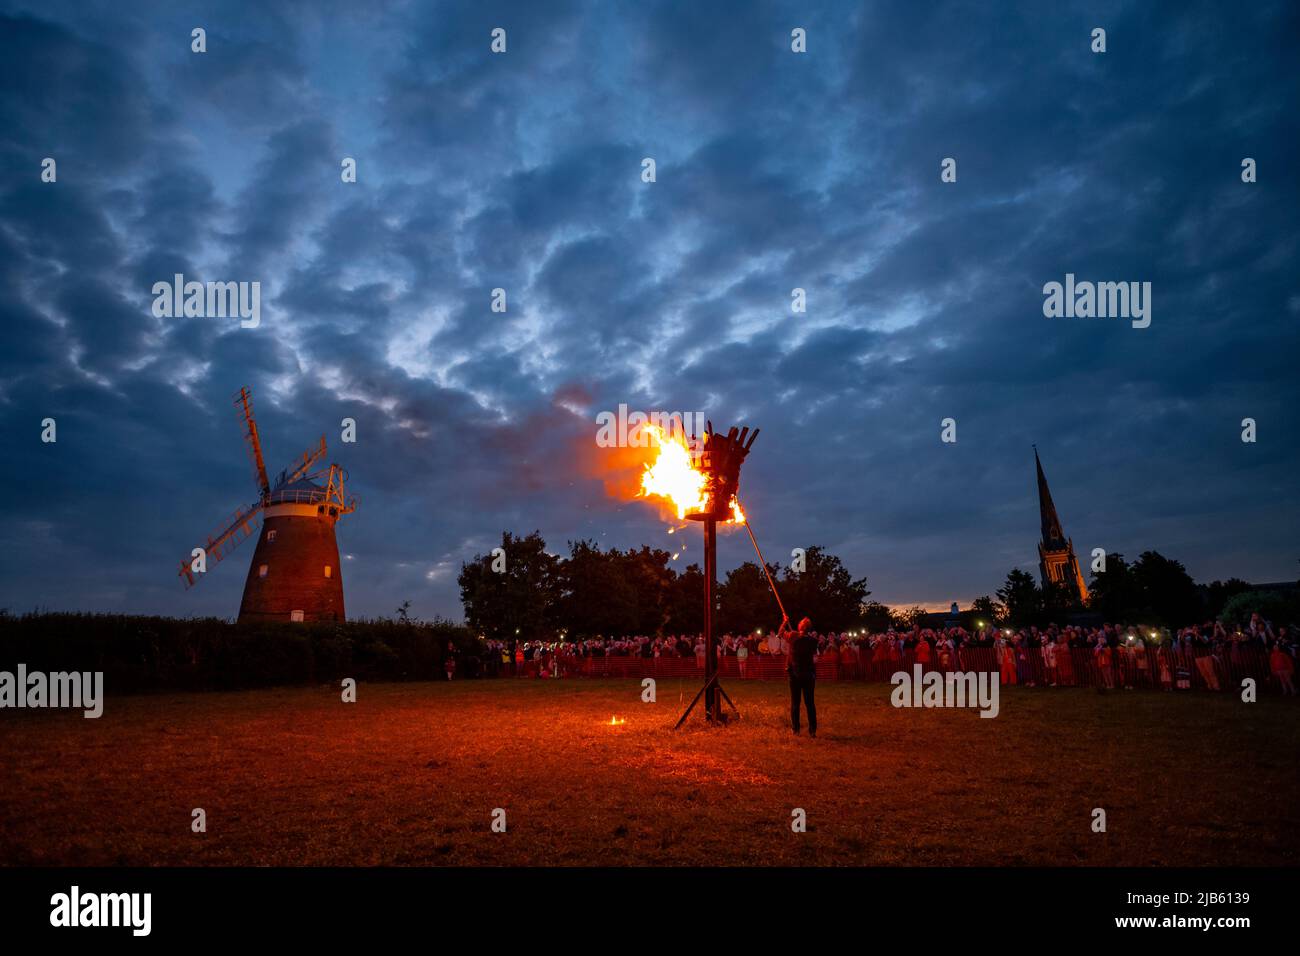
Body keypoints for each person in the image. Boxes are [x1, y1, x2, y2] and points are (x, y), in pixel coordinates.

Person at [779, 615, 818, 737]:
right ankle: (812, 730)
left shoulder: (793, 636)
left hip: (795, 675)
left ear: (801, 626)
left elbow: (780, 632)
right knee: (810, 703)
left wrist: (784, 622)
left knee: (795, 703)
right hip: (808, 675)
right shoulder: (813, 641)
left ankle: (796, 729)